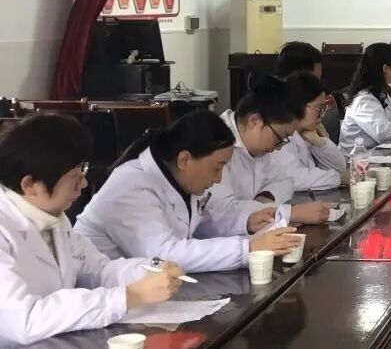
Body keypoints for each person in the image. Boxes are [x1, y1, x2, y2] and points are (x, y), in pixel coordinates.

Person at [0, 114, 186, 345]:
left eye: (83, 171)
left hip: (56, 347)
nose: (84, 184)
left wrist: (151, 268)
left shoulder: (51, 216)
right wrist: (130, 296)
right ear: (30, 185)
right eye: (74, 176)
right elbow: (25, 320)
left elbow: (97, 271)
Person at [74, 112, 300, 273]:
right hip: (103, 294)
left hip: (148, 289)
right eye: (217, 168)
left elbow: (205, 220)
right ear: (184, 159)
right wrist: (248, 248)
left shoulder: (180, 179)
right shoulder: (131, 184)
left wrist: (247, 221)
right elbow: (163, 253)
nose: (219, 179)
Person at [212, 72, 331, 227]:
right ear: (255, 121)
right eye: (280, 137)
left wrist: (267, 196)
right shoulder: (216, 142)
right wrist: (290, 213)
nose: (279, 148)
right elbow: (221, 212)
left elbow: (285, 181)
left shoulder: (260, 146)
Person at [271, 72, 349, 191]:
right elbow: (294, 178)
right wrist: (338, 178)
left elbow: (340, 167)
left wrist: (319, 142)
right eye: (319, 108)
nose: (322, 114)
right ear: (299, 105)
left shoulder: (306, 133)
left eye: (324, 108)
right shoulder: (280, 133)